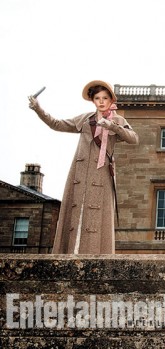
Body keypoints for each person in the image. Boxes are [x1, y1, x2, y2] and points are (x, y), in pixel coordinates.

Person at [27, 80, 139, 254]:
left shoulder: (117, 119)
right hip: (79, 173)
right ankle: (70, 253)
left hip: (101, 174)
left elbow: (134, 138)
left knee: (98, 216)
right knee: (75, 212)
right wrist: (38, 109)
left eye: (105, 98)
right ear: (93, 101)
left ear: (111, 101)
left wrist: (113, 127)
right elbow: (56, 124)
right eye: (97, 98)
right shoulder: (85, 119)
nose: (101, 101)